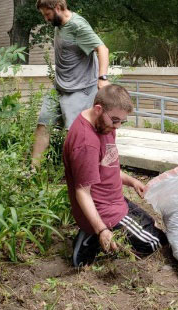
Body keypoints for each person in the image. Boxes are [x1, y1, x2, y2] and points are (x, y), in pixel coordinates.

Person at [64, 84, 167, 267]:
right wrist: (102, 229)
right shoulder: (87, 143)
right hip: (104, 211)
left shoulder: (104, 125)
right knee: (155, 243)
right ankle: (93, 237)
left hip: (116, 200)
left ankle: (94, 233)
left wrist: (132, 181)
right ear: (98, 109)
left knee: (152, 225)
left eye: (122, 122)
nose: (117, 126)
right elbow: (82, 192)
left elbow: (107, 166)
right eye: (115, 120)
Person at [31, 0, 110, 169]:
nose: (46, 19)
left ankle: (81, 176)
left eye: (48, 14)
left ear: (58, 7)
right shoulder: (59, 24)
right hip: (60, 87)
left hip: (80, 88)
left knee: (75, 135)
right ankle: (33, 171)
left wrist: (103, 78)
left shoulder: (78, 26)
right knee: (43, 125)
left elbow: (102, 49)